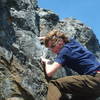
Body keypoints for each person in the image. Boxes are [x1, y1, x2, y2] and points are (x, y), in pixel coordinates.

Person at [40, 30, 100, 100]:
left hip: (94, 79)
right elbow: (61, 36)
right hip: (96, 86)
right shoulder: (72, 42)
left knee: (55, 84)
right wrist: (44, 38)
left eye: (53, 46)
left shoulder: (64, 52)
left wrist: (46, 62)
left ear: (60, 41)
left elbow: (49, 73)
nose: (52, 50)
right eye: (50, 48)